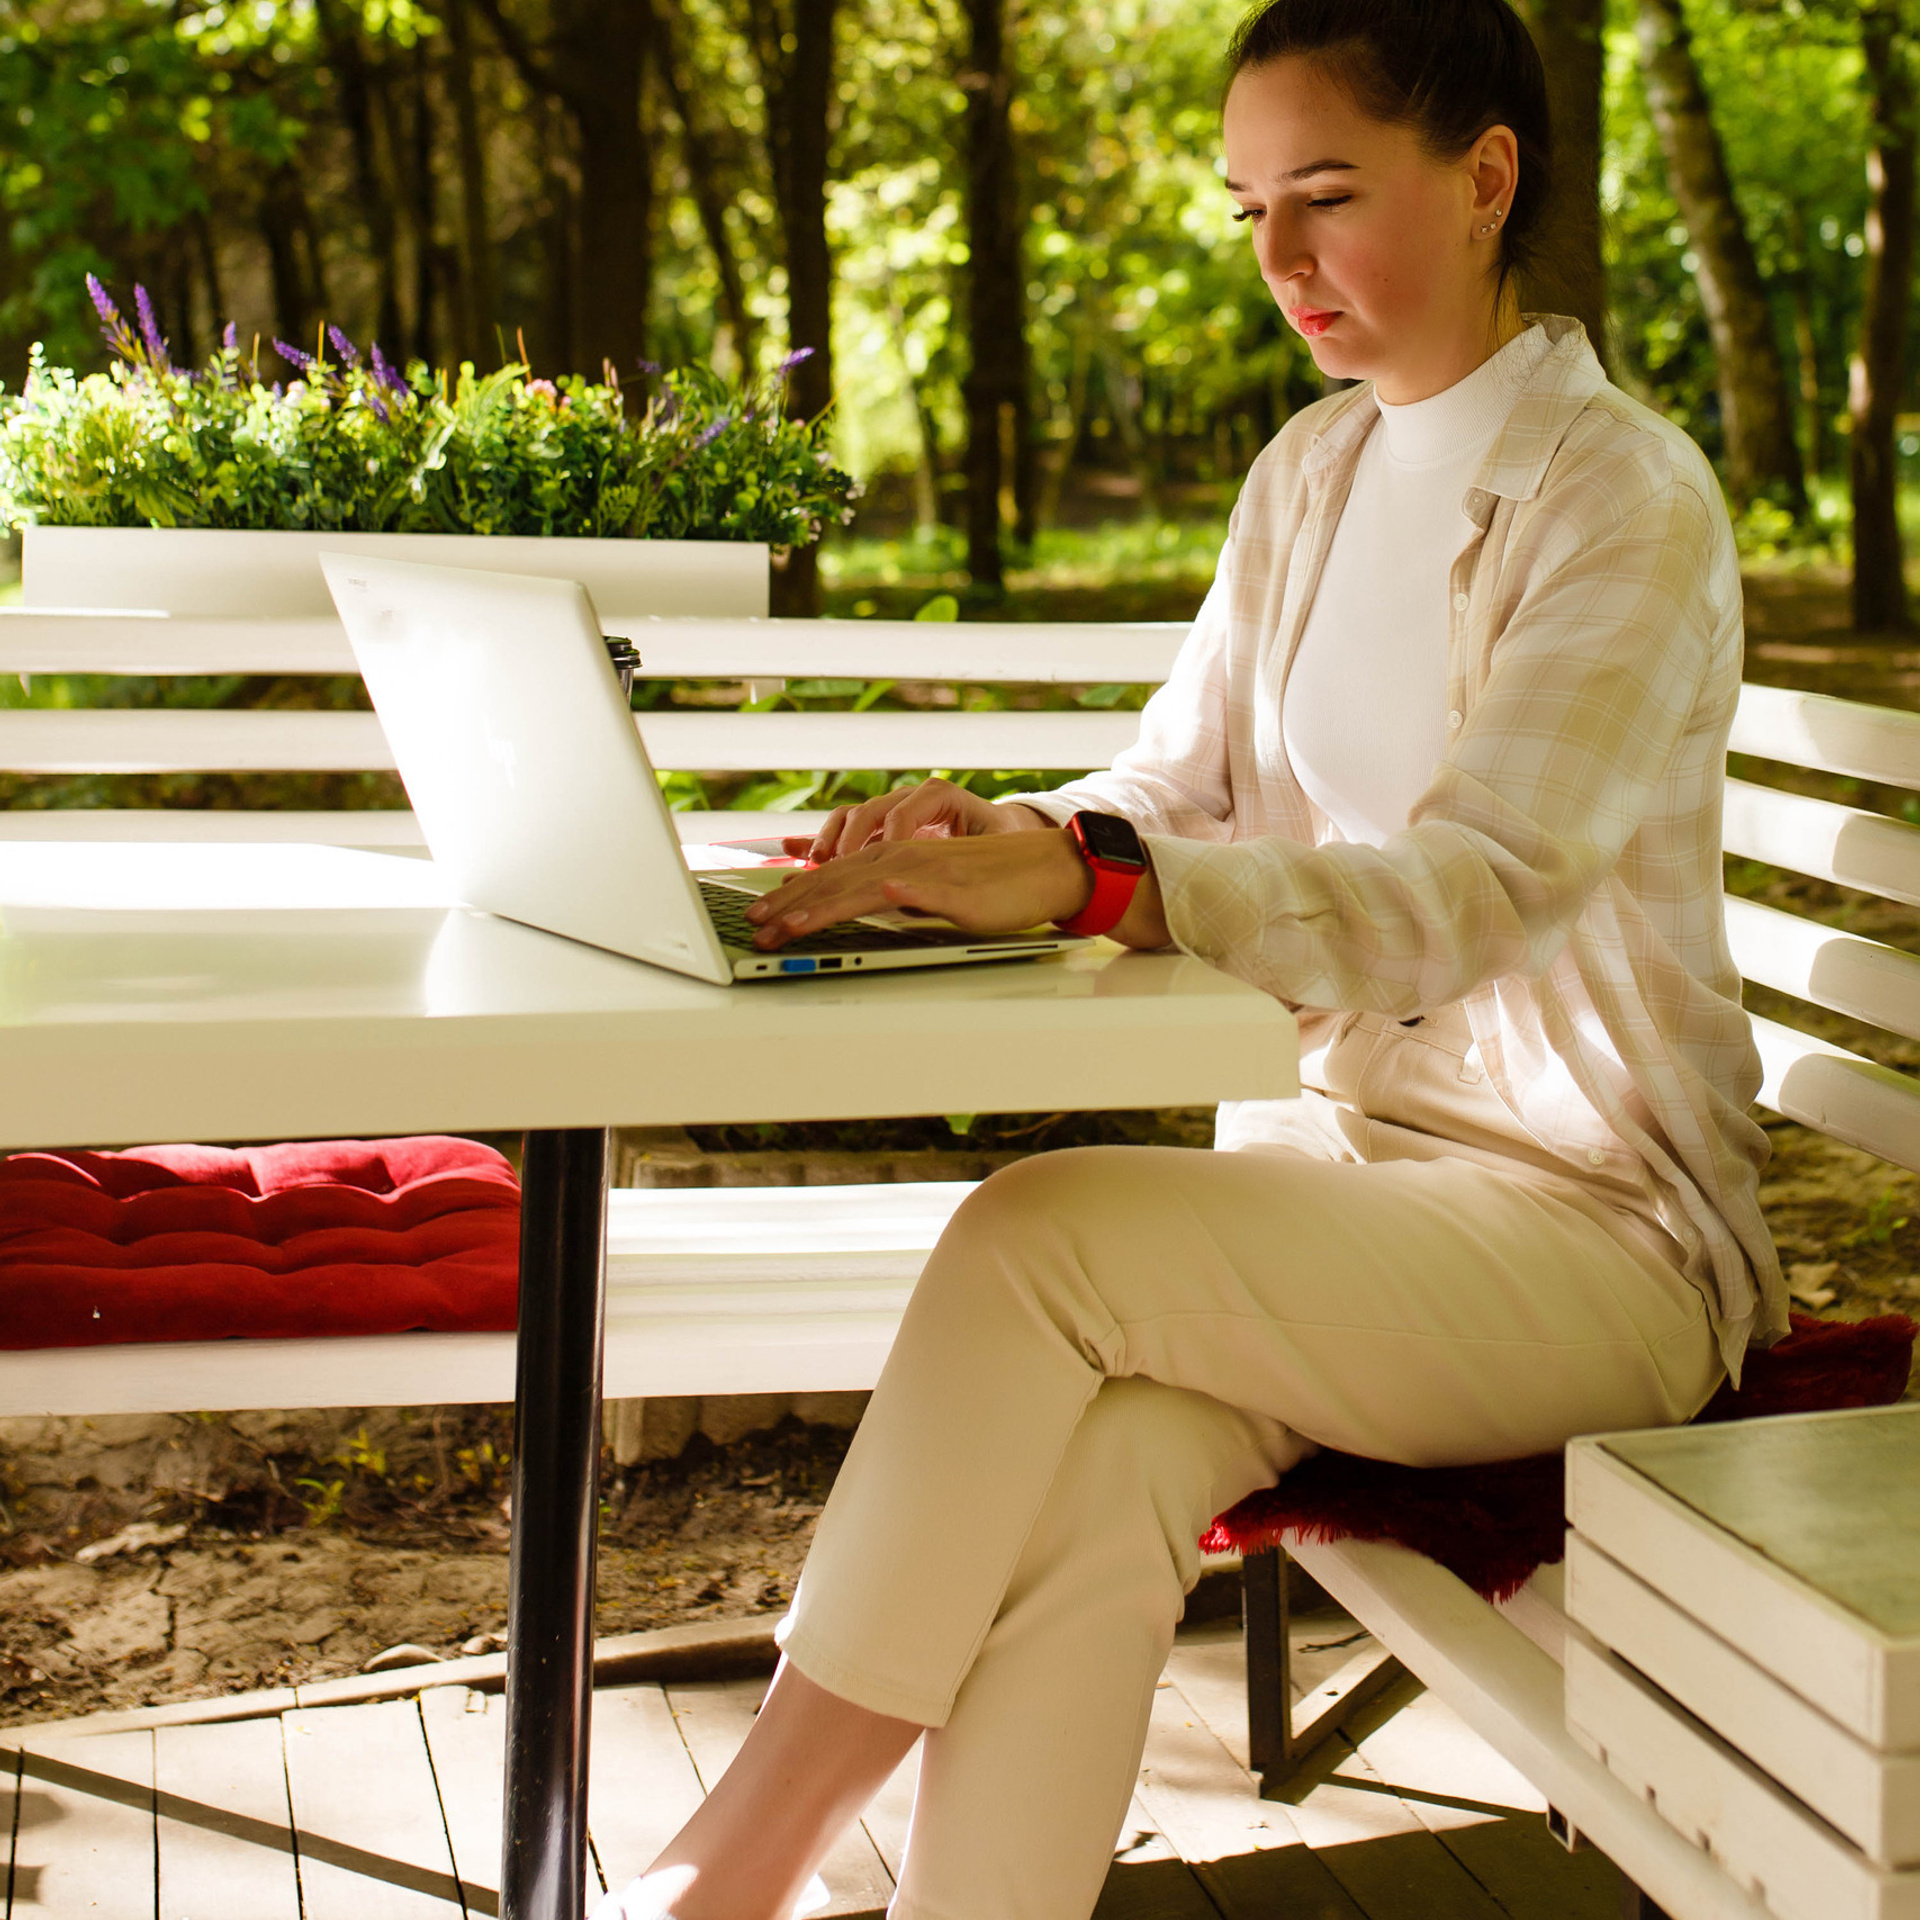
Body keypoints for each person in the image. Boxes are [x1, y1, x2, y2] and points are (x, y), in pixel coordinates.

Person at [593, 0, 1785, 1912]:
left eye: (1326, 195)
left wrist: (1103, 893)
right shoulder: (1311, 473)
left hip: (1598, 1235)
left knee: (1033, 1239)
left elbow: (1473, 887)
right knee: (1106, 1468)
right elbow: (1180, 776)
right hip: (1348, 1195)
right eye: (1250, 209)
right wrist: (1025, 837)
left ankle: (728, 1869)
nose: (1283, 260)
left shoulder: (1621, 501)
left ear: (1487, 179)